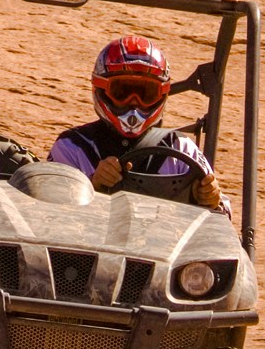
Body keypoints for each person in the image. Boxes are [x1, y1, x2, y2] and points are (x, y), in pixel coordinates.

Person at [47, 34, 229, 215]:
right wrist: (92, 185)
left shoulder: (181, 149)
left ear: (162, 95)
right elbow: (49, 215)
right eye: (122, 91)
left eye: (145, 93)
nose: (133, 103)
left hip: (165, 241)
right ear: (101, 89)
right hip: (86, 241)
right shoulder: (71, 147)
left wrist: (210, 200)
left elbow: (223, 223)